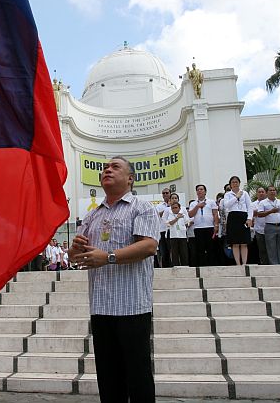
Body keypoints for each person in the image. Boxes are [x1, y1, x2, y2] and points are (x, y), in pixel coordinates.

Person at [68, 156, 158, 402]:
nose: (107, 170)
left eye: (115, 167)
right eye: (105, 167)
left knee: (138, 377)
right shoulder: (92, 215)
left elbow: (149, 246)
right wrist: (75, 248)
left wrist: (107, 257)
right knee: (108, 379)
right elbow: (75, 256)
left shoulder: (141, 207)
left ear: (130, 178)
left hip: (132, 307)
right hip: (101, 307)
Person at [223, 176, 253, 265]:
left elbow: (250, 206)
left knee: (244, 242)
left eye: (236, 182)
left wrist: (249, 218)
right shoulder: (227, 194)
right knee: (235, 243)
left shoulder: (245, 193)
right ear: (230, 184)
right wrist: (236, 197)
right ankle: (238, 263)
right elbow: (227, 205)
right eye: (233, 182)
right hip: (233, 217)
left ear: (239, 183)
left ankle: (244, 263)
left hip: (243, 216)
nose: (235, 184)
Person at [188, 184, 219, 267]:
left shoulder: (211, 202)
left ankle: (212, 265)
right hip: (198, 228)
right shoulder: (193, 203)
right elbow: (190, 215)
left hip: (209, 227)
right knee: (200, 249)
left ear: (205, 191)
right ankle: (202, 266)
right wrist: (197, 206)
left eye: (201, 189)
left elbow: (215, 214)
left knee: (211, 248)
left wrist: (216, 225)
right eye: (198, 190)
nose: (199, 191)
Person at [258, 186, 280, 264]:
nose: (272, 192)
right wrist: (271, 211)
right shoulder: (263, 202)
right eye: (270, 190)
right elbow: (260, 214)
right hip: (270, 226)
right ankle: (274, 263)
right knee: (271, 246)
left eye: (274, 190)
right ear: (267, 192)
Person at [165, 201, 191, 266]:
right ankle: (175, 266)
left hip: (182, 236)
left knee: (184, 252)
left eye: (176, 207)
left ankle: (185, 265)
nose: (174, 209)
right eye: (173, 208)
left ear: (179, 208)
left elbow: (188, 222)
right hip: (173, 236)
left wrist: (184, 226)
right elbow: (169, 223)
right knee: (174, 253)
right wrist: (177, 218)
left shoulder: (183, 215)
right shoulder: (170, 215)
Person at [251, 187, 269, 265]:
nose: (261, 193)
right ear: (256, 194)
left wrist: (259, 212)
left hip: (269, 228)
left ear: (265, 193)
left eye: (262, 192)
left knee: (270, 247)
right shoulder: (253, 204)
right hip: (258, 229)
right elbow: (252, 214)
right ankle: (264, 262)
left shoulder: (268, 202)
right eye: (259, 192)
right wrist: (264, 212)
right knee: (262, 248)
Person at [155, 187, 172, 268]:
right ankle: (166, 268)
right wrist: (167, 208)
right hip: (162, 230)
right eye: (163, 193)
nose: (165, 194)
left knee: (172, 251)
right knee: (164, 251)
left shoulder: (175, 204)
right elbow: (156, 216)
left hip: (172, 231)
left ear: (170, 193)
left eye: (167, 193)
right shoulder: (159, 206)